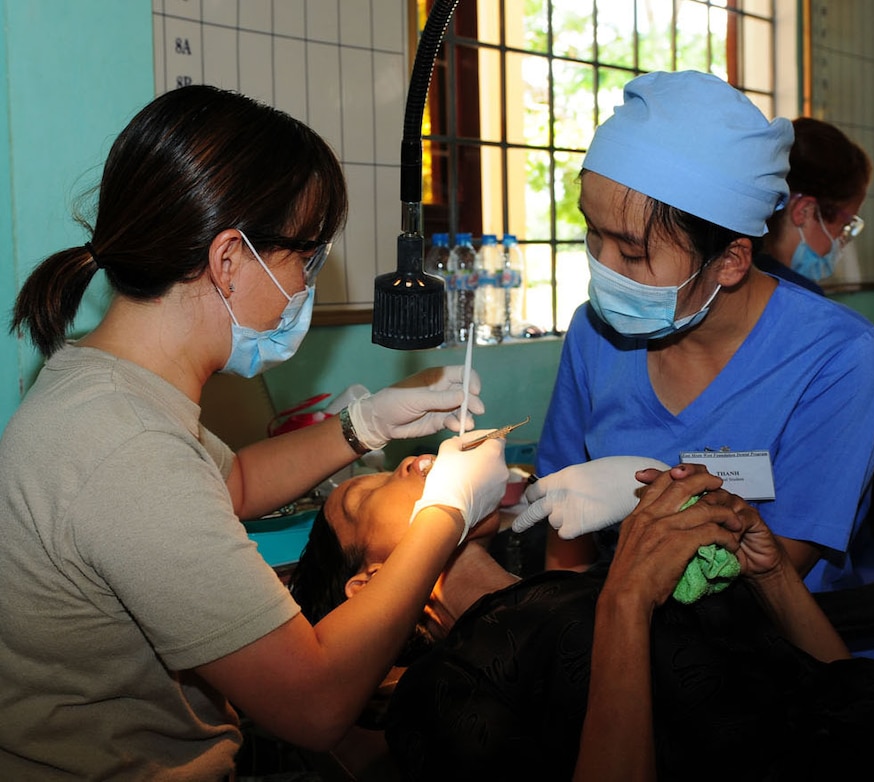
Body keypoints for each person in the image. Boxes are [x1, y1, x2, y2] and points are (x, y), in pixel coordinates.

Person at [0, 85, 512, 780]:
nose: (306, 287)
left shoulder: (104, 383)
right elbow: (316, 702)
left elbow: (230, 484)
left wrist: (363, 425)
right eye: (306, 260)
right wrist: (448, 511)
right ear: (230, 259)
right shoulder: (125, 447)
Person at [290, 457, 874, 782]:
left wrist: (770, 573)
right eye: (374, 491)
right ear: (371, 582)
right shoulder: (442, 691)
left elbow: (830, 688)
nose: (416, 464)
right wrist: (624, 600)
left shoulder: (574, 589)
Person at [522, 71, 874, 619]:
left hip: (766, 650)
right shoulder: (595, 333)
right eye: (592, 233)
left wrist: (639, 495)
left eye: (631, 253)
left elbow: (780, 567)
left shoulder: (840, 359)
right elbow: (565, 530)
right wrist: (562, 639)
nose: (602, 270)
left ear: (731, 260)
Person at [755, 116, 871, 294]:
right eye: (843, 225)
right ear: (804, 211)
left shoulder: (733, 273)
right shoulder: (802, 300)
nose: (840, 242)